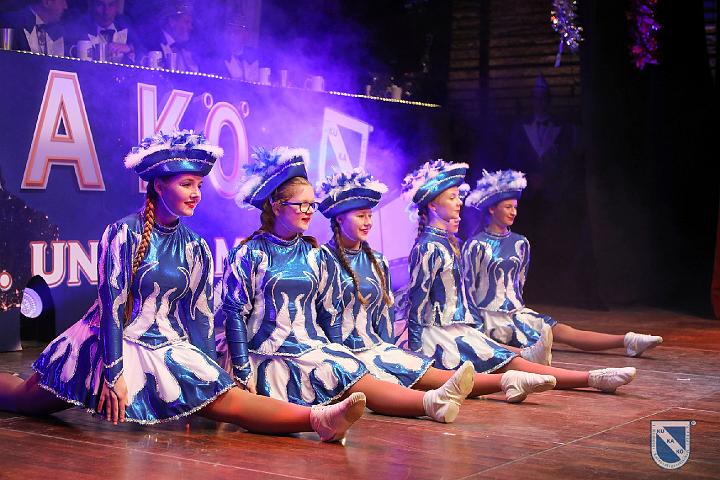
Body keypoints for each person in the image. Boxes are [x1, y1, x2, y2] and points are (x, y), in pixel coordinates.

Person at [0, 131, 366, 443]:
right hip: (107, 346)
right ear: (159, 186)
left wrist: (210, 377)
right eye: (186, 184)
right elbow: (111, 307)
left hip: (167, 347)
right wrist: (113, 374)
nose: (196, 194)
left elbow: (200, 322)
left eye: (199, 185)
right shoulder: (123, 233)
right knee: (24, 399)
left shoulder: (196, 247)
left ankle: (319, 419)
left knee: (229, 400)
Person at [216, 147, 474, 424]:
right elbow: (235, 313)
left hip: (310, 348)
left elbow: (327, 313)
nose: (309, 212)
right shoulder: (250, 253)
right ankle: (429, 402)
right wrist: (242, 368)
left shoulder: (314, 255)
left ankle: (431, 401)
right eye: (301, 205)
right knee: (340, 371)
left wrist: (340, 353)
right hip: (268, 355)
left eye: (312, 205)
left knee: (352, 370)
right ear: (277, 207)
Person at [315, 168, 557, 403]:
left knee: (481, 353)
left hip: (427, 332)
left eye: (370, 215)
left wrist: (390, 349)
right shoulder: (325, 259)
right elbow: (416, 304)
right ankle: (508, 380)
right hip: (426, 334)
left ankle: (521, 375)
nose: (368, 221)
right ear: (339, 218)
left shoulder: (379, 260)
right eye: (361, 216)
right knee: (459, 366)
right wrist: (412, 345)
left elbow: (384, 315)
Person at [402, 159, 638, 393]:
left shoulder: (448, 243)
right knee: (509, 362)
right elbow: (417, 303)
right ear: (433, 207)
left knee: (510, 358)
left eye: (458, 196)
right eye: (452, 197)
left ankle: (592, 374)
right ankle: (590, 378)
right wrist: (416, 350)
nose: (459, 202)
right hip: (439, 335)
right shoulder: (428, 247)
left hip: (457, 328)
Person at [462, 169, 664, 355]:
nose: (513, 212)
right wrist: (475, 325)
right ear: (492, 209)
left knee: (563, 331)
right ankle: (525, 355)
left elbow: (519, 283)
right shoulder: (476, 245)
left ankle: (627, 341)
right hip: (488, 318)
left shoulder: (520, 243)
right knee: (498, 348)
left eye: (515, 207)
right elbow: (467, 289)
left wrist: (517, 312)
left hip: (516, 313)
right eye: (508, 207)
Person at [66, 0, 139, 63]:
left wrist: (130, 48)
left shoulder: (127, 27)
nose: (106, 11)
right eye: (100, 5)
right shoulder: (79, 30)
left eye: (111, 5)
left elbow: (142, 51)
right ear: (91, 6)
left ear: (117, 7)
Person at [144, 1, 198, 71]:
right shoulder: (151, 43)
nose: (191, 27)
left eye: (191, 23)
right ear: (172, 22)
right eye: (186, 22)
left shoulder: (187, 51)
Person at [0, 0, 67, 54]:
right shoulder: (9, 22)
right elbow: (5, 61)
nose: (65, 6)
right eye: (62, 1)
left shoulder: (58, 30)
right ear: (46, 2)